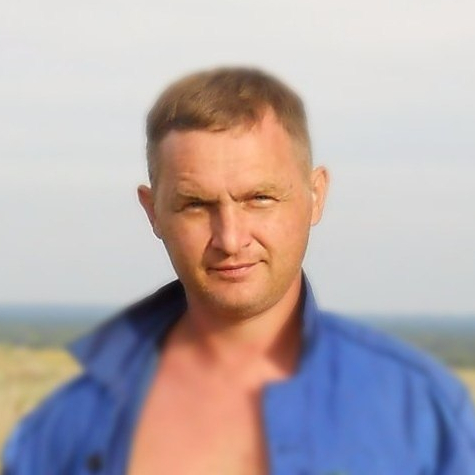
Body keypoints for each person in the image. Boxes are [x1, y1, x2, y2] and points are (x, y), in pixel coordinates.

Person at [3, 67, 475, 475]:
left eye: (259, 198)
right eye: (195, 204)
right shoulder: (63, 429)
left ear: (316, 196)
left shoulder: (421, 411)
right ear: (153, 211)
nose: (230, 239)